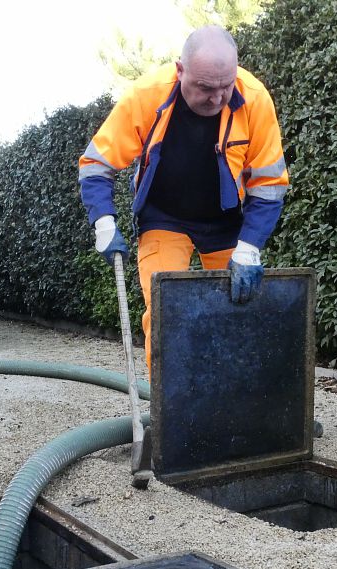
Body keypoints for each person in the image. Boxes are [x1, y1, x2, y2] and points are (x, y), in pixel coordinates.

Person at [78, 25, 288, 372]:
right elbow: (97, 164)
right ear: (180, 71)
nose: (218, 98)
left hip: (226, 221)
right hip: (165, 217)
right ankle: (169, 410)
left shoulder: (254, 98)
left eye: (225, 86)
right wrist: (103, 223)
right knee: (165, 311)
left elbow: (268, 183)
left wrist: (249, 248)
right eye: (205, 87)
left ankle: (231, 405)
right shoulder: (147, 94)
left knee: (237, 313)